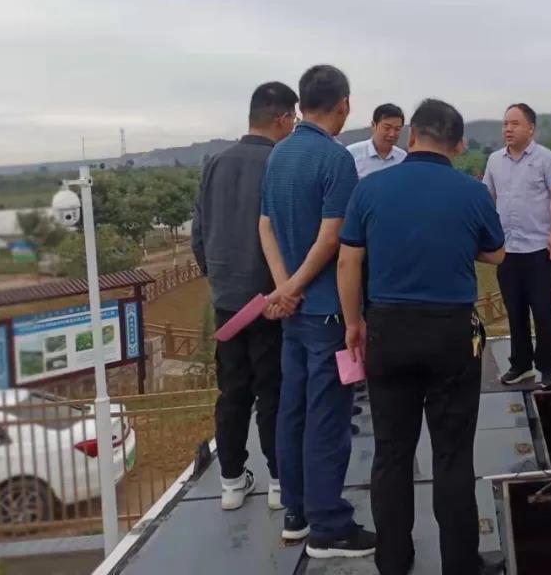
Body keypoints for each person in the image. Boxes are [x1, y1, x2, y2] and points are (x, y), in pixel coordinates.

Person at [337, 99, 506, 575]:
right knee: (452, 454)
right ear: (458, 145)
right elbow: (497, 254)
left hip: (386, 331)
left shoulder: (370, 189)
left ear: (412, 137)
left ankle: (393, 560)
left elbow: (348, 261)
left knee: (392, 453)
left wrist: (354, 324)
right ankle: (460, 564)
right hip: (451, 335)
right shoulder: (471, 192)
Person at [258, 65, 376, 558]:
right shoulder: (336, 159)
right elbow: (332, 241)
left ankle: (297, 514)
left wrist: (284, 289)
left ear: (302, 104)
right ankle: (329, 527)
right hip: (327, 312)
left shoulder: (279, 154)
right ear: (344, 104)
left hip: (294, 313)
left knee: (294, 411)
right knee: (328, 419)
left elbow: (265, 226)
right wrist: (299, 288)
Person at [191, 81, 297, 512]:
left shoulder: (215, 163)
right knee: (274, 392)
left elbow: (199, 233)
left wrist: (217, 277)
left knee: (232, 391)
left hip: (228, 303)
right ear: (283, 118)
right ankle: (279, 481)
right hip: (272, 301)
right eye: (293, 118)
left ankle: (232, 481)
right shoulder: (280, 162)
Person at [483, 103, 551, 389]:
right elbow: (488, 196)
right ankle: (520, 365)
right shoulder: (495, 160)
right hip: (507, 251)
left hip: (539, 251)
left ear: (531, 128)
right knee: (515, 311)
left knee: (543, 312)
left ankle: (548, 367)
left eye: (515, 123)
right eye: (505, 124)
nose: (508, 129)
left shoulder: (545, 158)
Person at [346, 103, 407, 179]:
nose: (392, 134)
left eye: (397, 129)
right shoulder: (352, 154)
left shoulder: (403, 158)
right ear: (373, 125)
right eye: (387, 128)